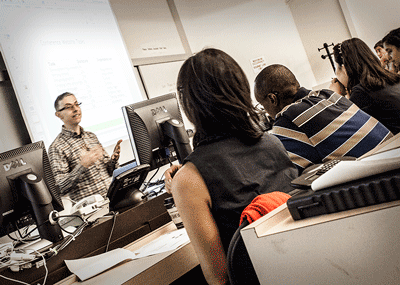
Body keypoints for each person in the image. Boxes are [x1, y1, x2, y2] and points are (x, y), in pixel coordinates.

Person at [164, 48, 297, 284]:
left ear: (189, 104)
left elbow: (218, 276)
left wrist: (181, 189)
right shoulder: (273, 142)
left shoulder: (189, 180)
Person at [254, 64, 393, 174]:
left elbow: (287, 173)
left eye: (262, 105)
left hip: (380, 178)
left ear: (272, 99)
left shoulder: (287, 118)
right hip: (392, 156)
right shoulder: (328, 94)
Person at [48, 92, 122, 202]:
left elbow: (109, 171)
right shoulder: (56, 147)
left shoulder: (91, 136)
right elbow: (60, 188)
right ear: (58, 115)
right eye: (69, 107)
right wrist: (83, 165)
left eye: (77, 104)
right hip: (91, 211)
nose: (76, 109)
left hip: (113, 199)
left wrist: (113, 160)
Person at [331, 37, 400, 135]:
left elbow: (347, 131)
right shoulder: (392, 78)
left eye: (337, 68)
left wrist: (335, 96)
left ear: (344, 68)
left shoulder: (361, 91)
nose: (336, 74)